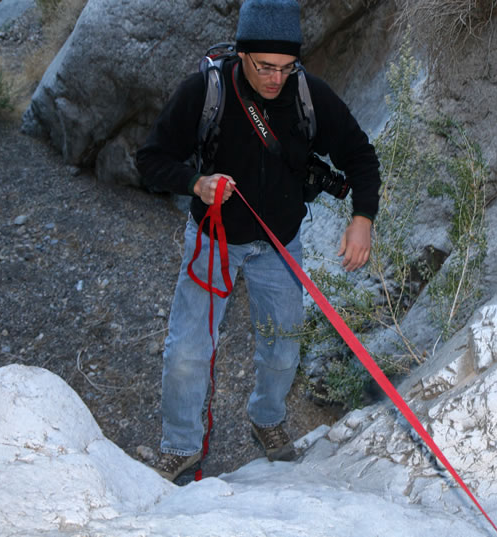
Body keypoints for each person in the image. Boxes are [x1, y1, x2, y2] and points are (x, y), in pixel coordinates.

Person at [135, 0, 381, 482]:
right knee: (187, 350)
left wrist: (363, 218)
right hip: (214, 238)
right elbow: (151, 159)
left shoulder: (308, 94)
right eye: (265, 67)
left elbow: (360, 155)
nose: (275, 79)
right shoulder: (206, 92)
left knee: (284, 347)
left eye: (287, 68)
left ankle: (267, 418)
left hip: (280, 244)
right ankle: (180, 446)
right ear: (241, 54)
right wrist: (195, 184)